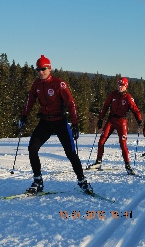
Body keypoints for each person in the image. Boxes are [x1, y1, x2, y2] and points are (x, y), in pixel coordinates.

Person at [19, 55, 93, 194]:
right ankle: (38, 181)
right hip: (45, 122)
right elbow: (30, 101)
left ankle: (82, 181)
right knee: (32, 148)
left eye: (43, 69)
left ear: (49, 68)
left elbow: (71, 103)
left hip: (60, 121)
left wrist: (75, 123)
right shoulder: (36, 84)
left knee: (70, 152)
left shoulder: (59, 84)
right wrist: (24, 116)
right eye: (38, 69)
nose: (41, 72)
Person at [88, 77, 143, 175]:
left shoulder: (128, 98)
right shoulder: (113, 94)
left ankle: (127, 165)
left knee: (123, 143)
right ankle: (98, 162)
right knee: (101, 140)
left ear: (126, 86)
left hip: (122, 121)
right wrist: (100, 118)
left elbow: (135, 109)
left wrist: (139, 119)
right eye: (118, 85)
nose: (119, 87)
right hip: (111, 120)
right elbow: (105, 106)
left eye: (122, 85)